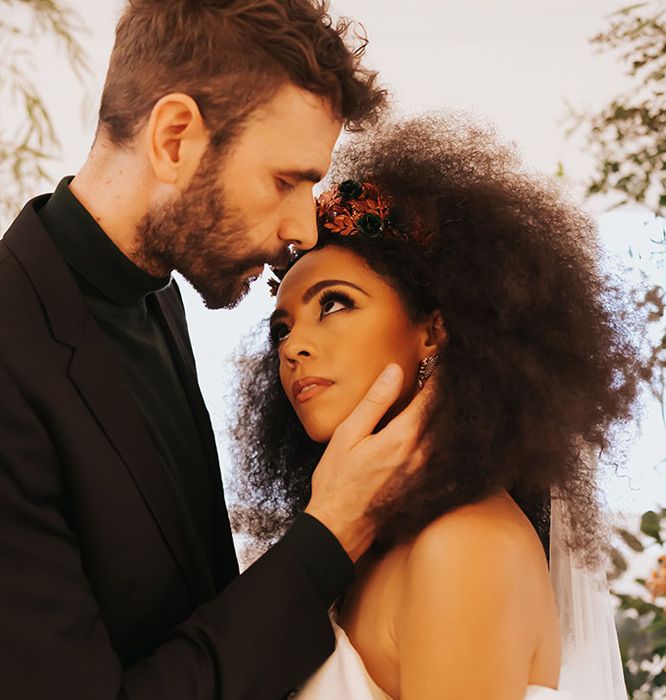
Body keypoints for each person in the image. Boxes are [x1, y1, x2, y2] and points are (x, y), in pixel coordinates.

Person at [0, 2, 432, 698]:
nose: (304, 228)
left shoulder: (159, 300)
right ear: (175, 138)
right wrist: (328, 537)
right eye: (287, 181)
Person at [233, 116, 647, 698]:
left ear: (434, 331)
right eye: (282, 328)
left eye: (334, 304)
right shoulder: (356, 549)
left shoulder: (464, 546)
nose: (294, 345)